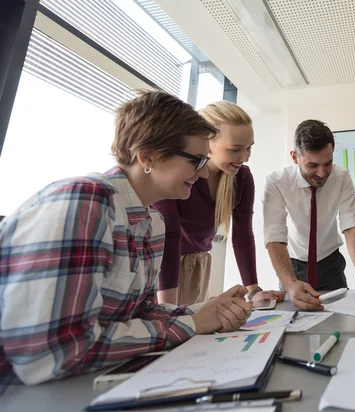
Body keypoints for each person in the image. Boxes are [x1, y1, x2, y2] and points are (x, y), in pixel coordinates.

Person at [0, 92, 253, 389]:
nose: (201, 173)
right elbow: (57, 354)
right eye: (196, 161)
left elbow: (140, 312)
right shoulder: (85, 204)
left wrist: (205, 310)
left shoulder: (150, 222)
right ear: (148, 156)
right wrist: (193, 324)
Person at [153, 101, 284, 306]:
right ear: (207, 143)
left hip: (197, 265)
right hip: (162, 267)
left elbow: (242, 235)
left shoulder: (241, 178)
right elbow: (169, 235)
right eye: (235, 150)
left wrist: (253, 290)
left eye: (249, 148)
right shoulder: (178, 174)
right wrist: (167, 309)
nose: (245, 157)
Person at [263, 120, 355, 309]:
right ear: (295, 157)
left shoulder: (342, 177)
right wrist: (290, 284)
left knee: (337, 320)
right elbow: (274, 236)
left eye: (328, 163)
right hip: (293, 267)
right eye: (313, 165)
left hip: (331, 265)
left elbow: (350, 225)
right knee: (296, 326)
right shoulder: (276, 183)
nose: (322, 173)